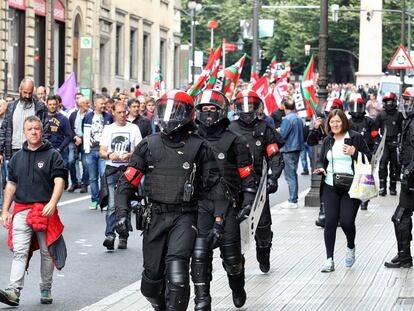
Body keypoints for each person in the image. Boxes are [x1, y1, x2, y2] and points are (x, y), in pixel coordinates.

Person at [115, 90, 227, 311]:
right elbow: (127, 181)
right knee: (151, 281)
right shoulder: (148, 145)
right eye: (165, 110)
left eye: (175, 111)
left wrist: (218, 221)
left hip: (185, 215)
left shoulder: (200, 147)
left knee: (177, 275)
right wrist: (121, 212)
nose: (169, 117)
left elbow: (216, 185)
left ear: (187, 115)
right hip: (155, 216)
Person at [192, 90, 257, 309]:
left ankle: (237, 286)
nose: (208, 114)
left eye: (213, 110)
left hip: (228, 203)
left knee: (231, 258)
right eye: (205, 110)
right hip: (198, 203)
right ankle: (202, 299)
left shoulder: (234, 140)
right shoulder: (191, 138)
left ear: (221, 112)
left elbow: (246, 173)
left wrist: (248, 200)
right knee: (200, 255)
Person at [0, 116, 67, 306]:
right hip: (21, 210)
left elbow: (59, 181)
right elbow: (11, 184)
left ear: (42, 131)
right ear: (24, 132)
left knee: (47, 252)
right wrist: (5, 210)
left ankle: (46, 287)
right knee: (19, 251)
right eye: (30, 129)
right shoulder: (17, 158)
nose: (34, 132)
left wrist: (53, 203)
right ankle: (13, 291)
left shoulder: (53, 155)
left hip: (45, 210)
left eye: (37, 128)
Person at [229, 90, 284, 273]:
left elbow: (274, 155)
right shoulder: (230, 129)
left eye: (250, 105)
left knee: (263, 226)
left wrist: (273, 177)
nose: (246, 110)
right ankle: (238, 261)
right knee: (235, 225)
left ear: (256, 107)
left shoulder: (264, 128)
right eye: (243, 106)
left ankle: (264, 251)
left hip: (259, 184)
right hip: (236, 185)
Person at [314, 109, 371, 273]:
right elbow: (321, 160)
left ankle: (351, 246)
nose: (335, 124)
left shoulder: (355, 137)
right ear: (328, 124)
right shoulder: (327, 140)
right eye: (332, 122)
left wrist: (355, 153)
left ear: (344, 122)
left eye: (338, 121)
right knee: (330, 222)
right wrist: (320, 169)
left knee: (346, 222)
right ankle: (329, 259)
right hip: (330, 186)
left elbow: (369, 158)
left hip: (351, 187)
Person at [100, 102, 142, 250]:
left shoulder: (134, 128)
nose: (122, 115)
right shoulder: (108, 129)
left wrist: (130, 155)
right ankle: (110, 235)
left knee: (125, 203)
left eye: (124, 112)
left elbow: (140, 149)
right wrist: (111, 154)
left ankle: (123, 236)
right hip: (112, 168)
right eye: (119, 112)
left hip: (128, 170)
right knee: (112, 204)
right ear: (113, 113)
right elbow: (102, 151)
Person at [384, 87, 414, 269]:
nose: (406, 103)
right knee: (400, 217)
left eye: (409, 100)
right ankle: (404, 256)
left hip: (412, 177)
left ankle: (404, 258)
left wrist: (410, 170)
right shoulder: (408, 121)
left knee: (401, 217)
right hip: (409, 178)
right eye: (405, 100)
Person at [308, 98, 344, 227]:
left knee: (341, 187)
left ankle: (340, 214)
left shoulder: (348, 125)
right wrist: (315, 129)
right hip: (328, 162)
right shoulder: (324, 126)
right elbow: (311, 142)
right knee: (325, 188)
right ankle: (323, 212)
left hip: (342, 162)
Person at [0, 78, 48, 163]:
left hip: (34, 150)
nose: (27, 96)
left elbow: (46, 130)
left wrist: (43, 150)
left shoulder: (40, 107)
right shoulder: (11, 107)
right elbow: (4, 130)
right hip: (14, 151)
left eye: (30, 93)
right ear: (20, 90)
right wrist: (0, 151)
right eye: (25, 92)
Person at [348, 97, 379, 210]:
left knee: (365, 176)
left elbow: (375, 136)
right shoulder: (348, 122)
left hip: (366, 153)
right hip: (351, 153)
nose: (356, 110)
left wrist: (376, 148)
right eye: (354, 107)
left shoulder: (369, 121)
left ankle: (364, 200)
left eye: (358, 107)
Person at [83, 95, 113, 209]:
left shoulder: (108, 117)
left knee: (103, 175)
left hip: (103, 150)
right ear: (95, 104)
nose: (104, 106)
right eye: (101, 103)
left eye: (104, 104)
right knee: (92, 177)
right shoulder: (88, 117)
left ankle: (103, 200)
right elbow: (85, 133)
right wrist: (86, 149)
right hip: (91, 150)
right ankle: (94, 200)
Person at [375, 92, 403, 196]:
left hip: (395, 142)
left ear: (394, 102)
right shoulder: (381, 114)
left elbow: (403, 129)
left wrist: (400, 142)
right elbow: (374, 129)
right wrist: (378, 141)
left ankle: (393, 188)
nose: (389, 103)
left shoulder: (399, 114)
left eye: (391, 101)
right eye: (387, 101)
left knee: (394, 166)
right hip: (384, 143)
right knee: (382, 165)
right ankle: (382, 188)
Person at [279, 98, 304, 208]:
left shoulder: (287, 119)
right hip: (296, 148)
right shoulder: (298, 118)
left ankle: (292, 200)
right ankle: (293, 198)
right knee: (292, 174)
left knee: (290, 176)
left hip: (288, 149)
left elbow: (283, 135)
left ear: (284, 106)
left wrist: (278, 131)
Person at [68, 95, 91, 193]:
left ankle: (84, 183)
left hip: (86, 142)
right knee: (70, 161)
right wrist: (75, 137)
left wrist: (82, 138)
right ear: (81, 105)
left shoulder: (90, 114)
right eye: (86, 103)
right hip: (74, 140)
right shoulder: (73, 115)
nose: (88, 105)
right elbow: (69, 129)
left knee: (86, 163)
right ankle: (74, 182)